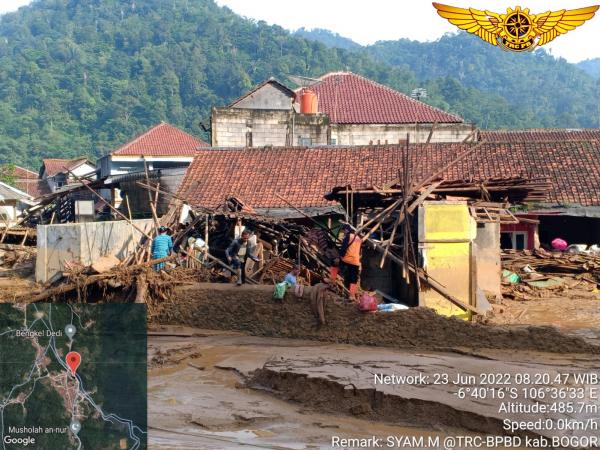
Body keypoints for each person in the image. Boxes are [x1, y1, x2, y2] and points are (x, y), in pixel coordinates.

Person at [339, 224, 362, 302]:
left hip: (347, 260)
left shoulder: (348, 237)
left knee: (335, 265)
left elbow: (343, 249)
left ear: (346, 230)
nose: (344, 232)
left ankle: (332, 282)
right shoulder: (358, 238)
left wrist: (340, 257)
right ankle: (352, 295)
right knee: (353, 279)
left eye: (344, 230)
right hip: (355, 261)